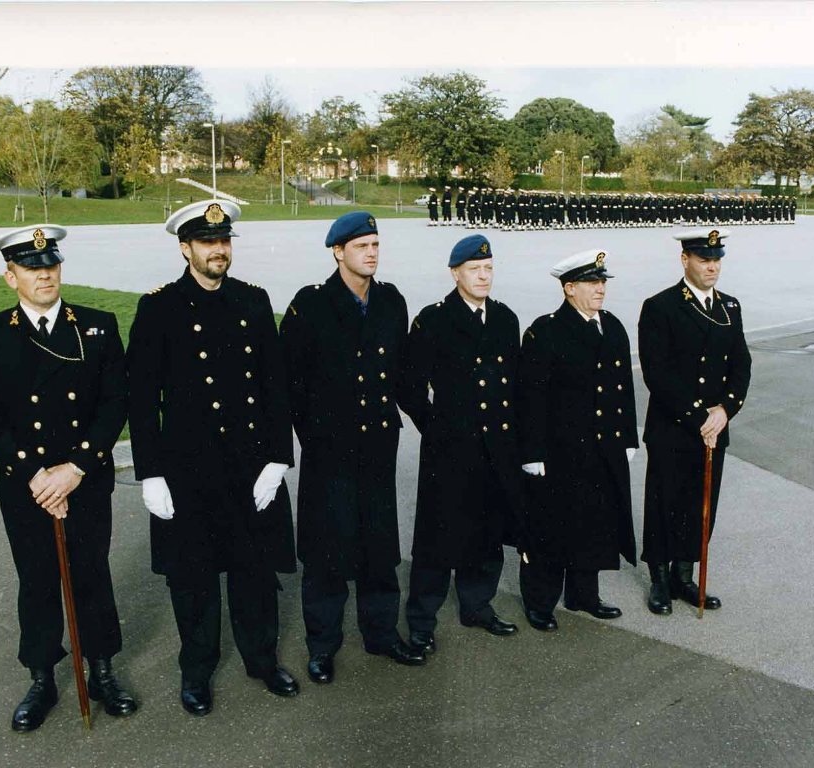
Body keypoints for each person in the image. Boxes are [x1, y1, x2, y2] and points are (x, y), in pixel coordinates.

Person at [127, 200, 299, 715]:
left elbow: (275, 386)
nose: (219, 250)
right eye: (207, 242)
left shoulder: (252, 300)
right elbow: (140, 399)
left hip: (250, 465)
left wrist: (277, 458)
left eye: (224, 241)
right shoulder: (158, 308)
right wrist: (150, 473)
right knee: (194, 578)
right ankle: (197, 671)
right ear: (185, 248)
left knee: (254, 571)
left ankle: (262, 660)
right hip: (188, 469)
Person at [0, 225, 136, 732]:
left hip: (83, 478)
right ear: (9, 276)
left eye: (51, 266)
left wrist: (76, 468)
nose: (44, 275)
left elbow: (115, 403)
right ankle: (42, 677)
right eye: (31, 268)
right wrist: (39, 476)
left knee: (91, 574)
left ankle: (102, 670)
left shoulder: (97, 327)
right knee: (37, 580)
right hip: (28, 484)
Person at [280, 211, 424, 685]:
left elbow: (402, 374)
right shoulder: (311, 304)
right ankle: (322, 645)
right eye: (362, 246)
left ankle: (381, 633)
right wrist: (312, 436)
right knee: (326, 551)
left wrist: (430, 420)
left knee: (380, 545)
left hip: (379, 443)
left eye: (376, 245)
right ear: (338, 252)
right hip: (331, 449)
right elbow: (291, 384)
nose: (372, 253)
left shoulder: (390, 301)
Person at [398, 234, 523, 653]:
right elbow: (410, 386)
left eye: (489, 268)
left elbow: (514, 384)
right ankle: (421, 618)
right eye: (475, 269)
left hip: (496, 447)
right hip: (450, 448)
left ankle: (477, 604)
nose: (484, 276)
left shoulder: (505, 319)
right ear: (456, 274)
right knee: (437, 536)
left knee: (487, 531)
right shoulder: (433, 320)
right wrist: (434, 427)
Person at [516, 250, 638, 632]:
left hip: (603, 446)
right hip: (560, 450)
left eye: (602, 282)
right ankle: (540, 601)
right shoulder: (545, 330)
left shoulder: (612, 326)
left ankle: (584, 594)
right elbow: (529, 396)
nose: (601, 288)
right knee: (551, 527)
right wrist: (531, 452)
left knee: (594, 521)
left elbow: (624, 389)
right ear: (569, 289)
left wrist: (629, 437)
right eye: (591, 283)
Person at [638, 228, 751, 614]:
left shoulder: (729, 307)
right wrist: (698, 417)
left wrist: (724, 411)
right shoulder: (661, 306)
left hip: (713, 430)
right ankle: (658, 578)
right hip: (674, 427)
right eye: (705, 259)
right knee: (663, 503)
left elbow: (741, 365)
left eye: (717, 259)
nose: (712, 267)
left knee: (700, 505)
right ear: (685, 260)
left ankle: (683, 576)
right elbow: (657, 373)